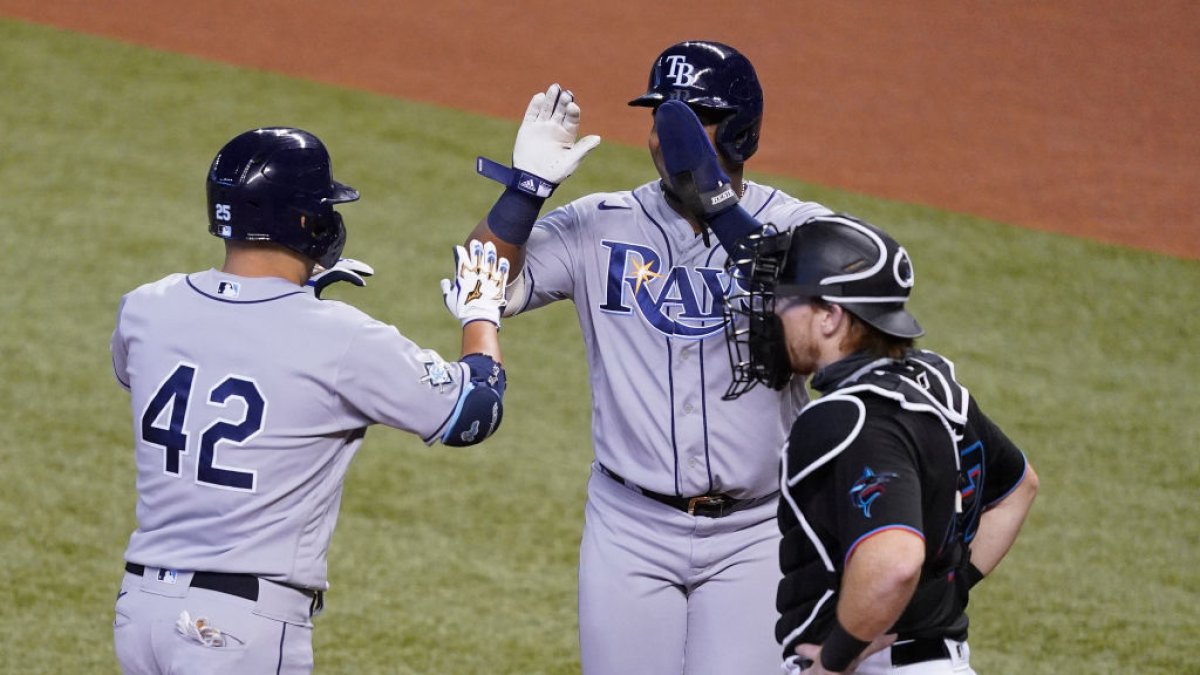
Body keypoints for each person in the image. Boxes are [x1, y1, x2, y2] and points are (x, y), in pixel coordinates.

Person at [466, 41, 832, 674]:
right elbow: (478, 283)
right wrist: (524, 192)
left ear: (741, 130)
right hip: (628, 526)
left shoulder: (800, 226)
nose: (669, 134)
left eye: (692, 117)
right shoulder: (600, 223)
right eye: (661, 114)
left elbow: (831, 338)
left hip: (756, 531)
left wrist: (722, 212)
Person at [110, 127, 510, 674]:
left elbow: (187, 361)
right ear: (307, 222)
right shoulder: (341, 339)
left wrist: (293, 300)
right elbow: (473, 412)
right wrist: (480, 314)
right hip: (240, 628)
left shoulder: (145, 307)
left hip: (141, 615)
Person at [720, 213, 1039, 674]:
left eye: (786, 300)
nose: (772, 312)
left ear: (830, 316)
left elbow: (895, 561)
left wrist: (833, 662)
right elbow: (1019, 488)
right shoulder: (932, 387)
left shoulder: (847, 418)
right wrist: (940, 595)